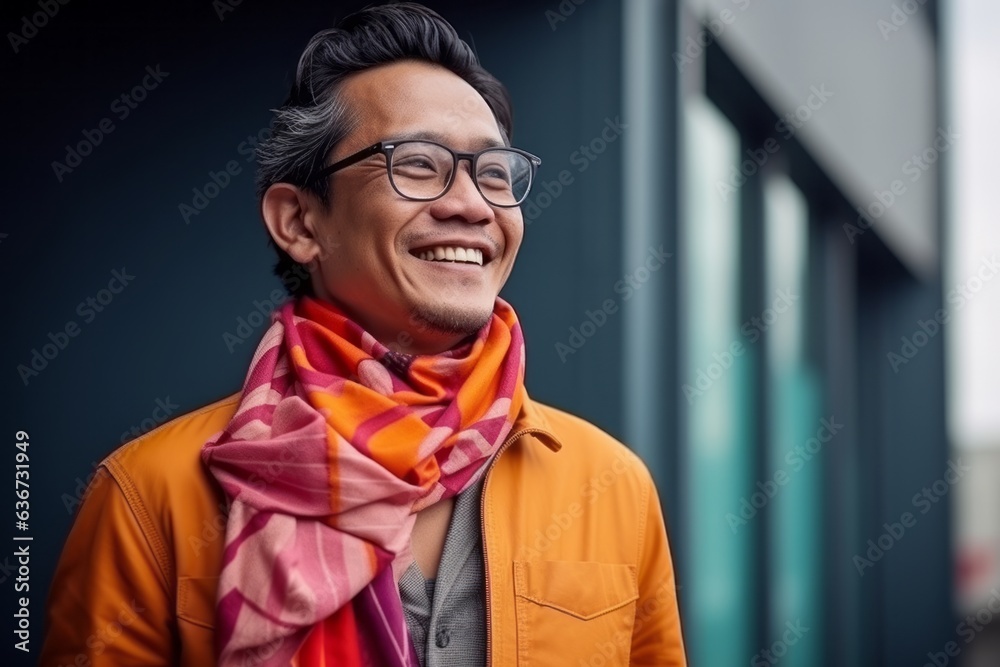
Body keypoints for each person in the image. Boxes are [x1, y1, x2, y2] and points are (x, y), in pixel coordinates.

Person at [39, 3, 686, 665]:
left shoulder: (612, 486)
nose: (471, 204)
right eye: (417, 163)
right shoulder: (151, 495)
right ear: (299, 222)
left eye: (494, 174)